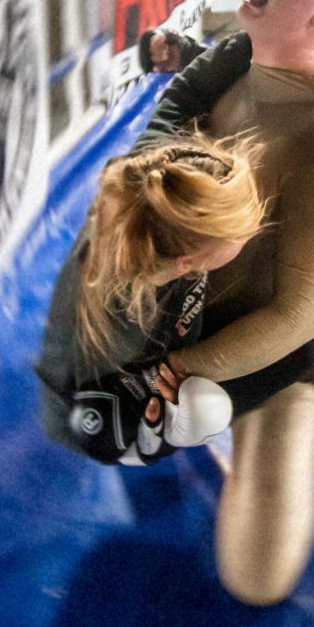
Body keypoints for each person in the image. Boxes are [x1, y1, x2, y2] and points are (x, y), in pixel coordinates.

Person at [131, 0, 314, 605]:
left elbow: (296, 314)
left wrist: (185, 368)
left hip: (279, 342)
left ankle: (310, 401)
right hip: (199, 300)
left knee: (255, 575)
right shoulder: (235, 66)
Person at [34, 132, 268, 466]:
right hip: (96, 405)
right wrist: (153, 433)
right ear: (188, 263)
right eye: (239, 233)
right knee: (204, 409)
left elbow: (184, 100)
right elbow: (68, 375)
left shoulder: (156, 186)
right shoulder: (122, 315)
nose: (251, 230)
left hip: (143, 350)